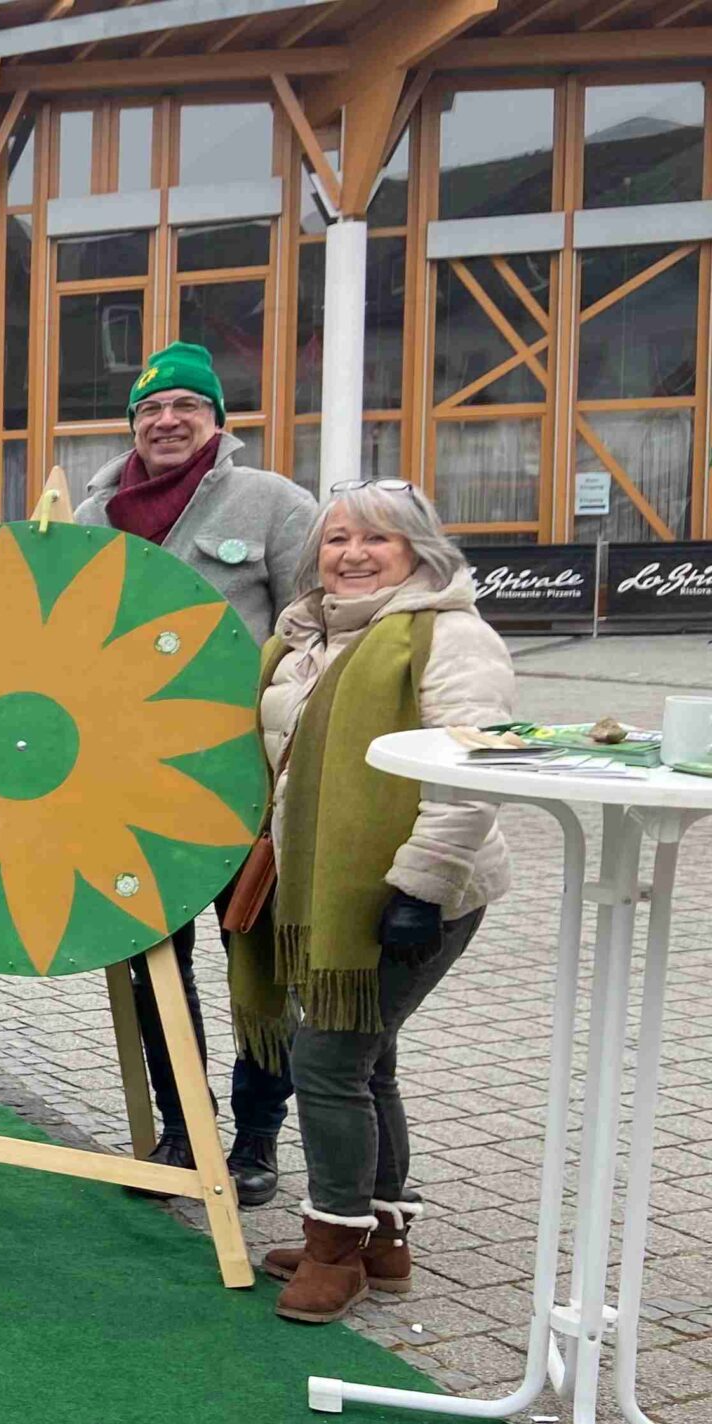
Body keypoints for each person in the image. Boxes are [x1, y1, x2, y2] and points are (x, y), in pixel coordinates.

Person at [230, 482, 513, 1322]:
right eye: (336, 538)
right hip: (321, 879)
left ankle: (334, 1247)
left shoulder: (451, 638)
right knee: (365, 1055)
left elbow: (470, 778)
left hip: (412, 888)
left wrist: (419, 891)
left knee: (326, 1058)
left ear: (420, 550)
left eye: (376, 539)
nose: (352, 553)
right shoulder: (301, 635)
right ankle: (382, 1240)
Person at [73, 341, 318, 1206]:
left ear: (218, 420)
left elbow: (312, 638)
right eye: (151, 408)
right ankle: (185, 1129)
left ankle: (257, 1139)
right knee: (153, 962)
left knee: (256, 960)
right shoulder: (94, 514)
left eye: (187, 406)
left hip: (242, 785)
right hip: (126, 786)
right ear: (133, 422)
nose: (167, 421)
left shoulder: (277, 504)